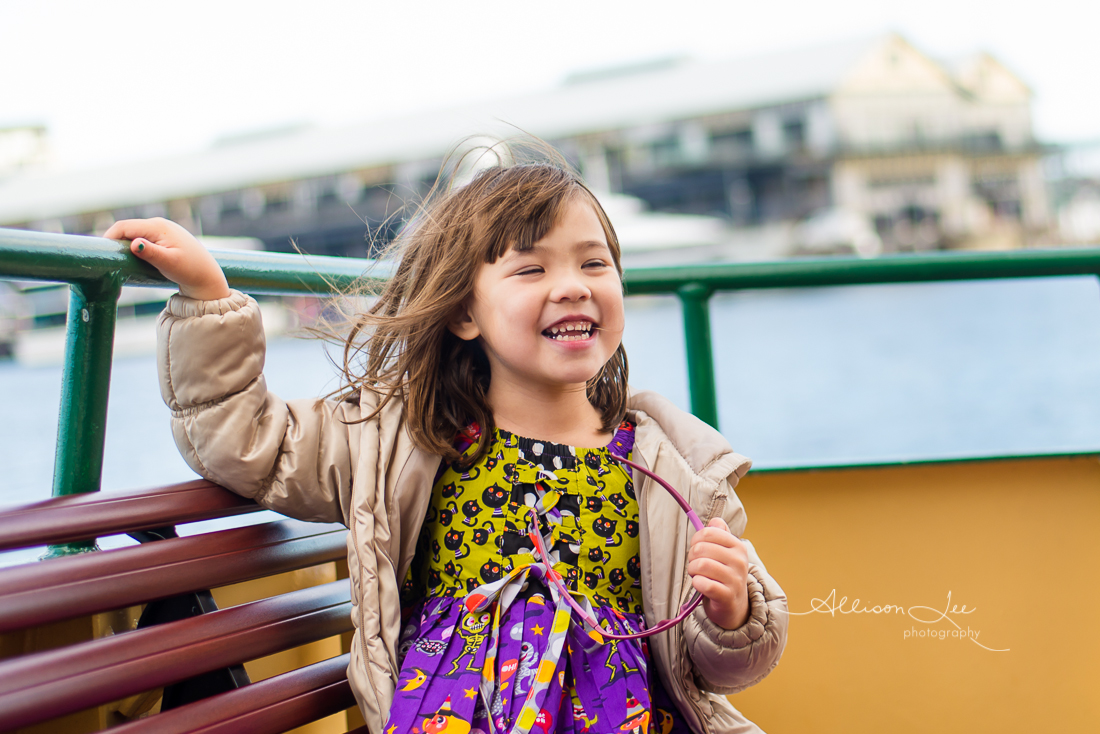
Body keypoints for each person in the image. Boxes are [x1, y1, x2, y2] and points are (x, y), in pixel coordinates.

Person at [104, 147, 787, 734]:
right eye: (532, 270)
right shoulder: (403, 437)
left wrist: (731, 612)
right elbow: (249, 441)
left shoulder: (669, 466)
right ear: (465, 311)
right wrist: (208, 297)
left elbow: (722, 666)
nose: (573, 287)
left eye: (594, 264)